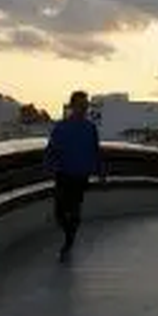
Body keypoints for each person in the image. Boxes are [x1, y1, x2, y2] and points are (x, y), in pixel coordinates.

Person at [45, 90, 103, 260]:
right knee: (60, 212)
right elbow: (51, 149)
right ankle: (69, 236)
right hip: (63, 174)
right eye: (81, 105)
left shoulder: (90, 128)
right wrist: (48, 166)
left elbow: (95, 151)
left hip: (80, 175)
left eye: (86, 106)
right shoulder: (61, 127)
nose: (84, 109)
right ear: (73, 106)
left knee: (74, 208)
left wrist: (99, 172)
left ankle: (69, 242)